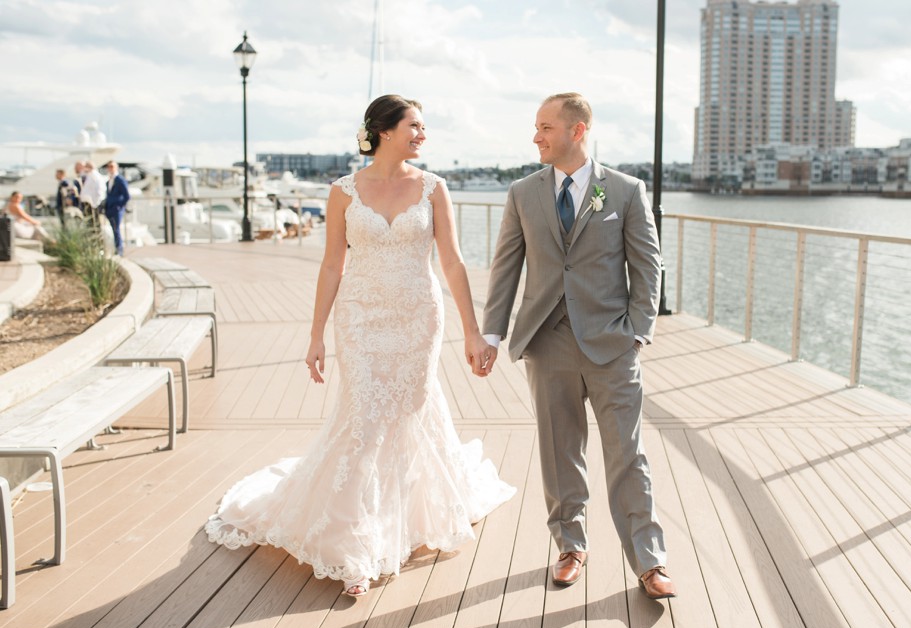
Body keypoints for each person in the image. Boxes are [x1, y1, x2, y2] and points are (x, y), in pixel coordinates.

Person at [205, 94, 515, 598]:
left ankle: (400, 521)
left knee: (407, 413)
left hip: (418, 317)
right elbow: (332, 265)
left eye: (423, 126)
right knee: (366, 418)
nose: (423, 134)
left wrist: (472, 331)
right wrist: (315, 336)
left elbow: (453, 263)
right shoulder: (343, 192)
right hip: (361, 320)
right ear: (386, 130)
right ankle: (356, 545)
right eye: (415, 125)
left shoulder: (434, 188)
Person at [481, 92, 676, 600]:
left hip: (612, 344)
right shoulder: (523, 192)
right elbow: (506, 267)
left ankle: (649, 561)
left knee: (626, 454)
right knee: (559, 451)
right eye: (537, 126)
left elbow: (647, 265)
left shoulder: (626, 191)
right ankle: (570, 546)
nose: (536, 136)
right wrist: (491, 332)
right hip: (547, 343)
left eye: (545, 126)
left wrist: (638, 328)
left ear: (577, 130)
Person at [103, 160, 130, 256]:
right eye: (108, 166)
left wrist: (119, 206)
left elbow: (127, 196)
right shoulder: (108, 181)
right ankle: (116, 249)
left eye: (112, 166)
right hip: (109, 209)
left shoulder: (120, 180)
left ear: (116, 167)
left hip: (116, 210)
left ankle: (119, 251)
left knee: (116, 230)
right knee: (113, 230)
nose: (110, 168)